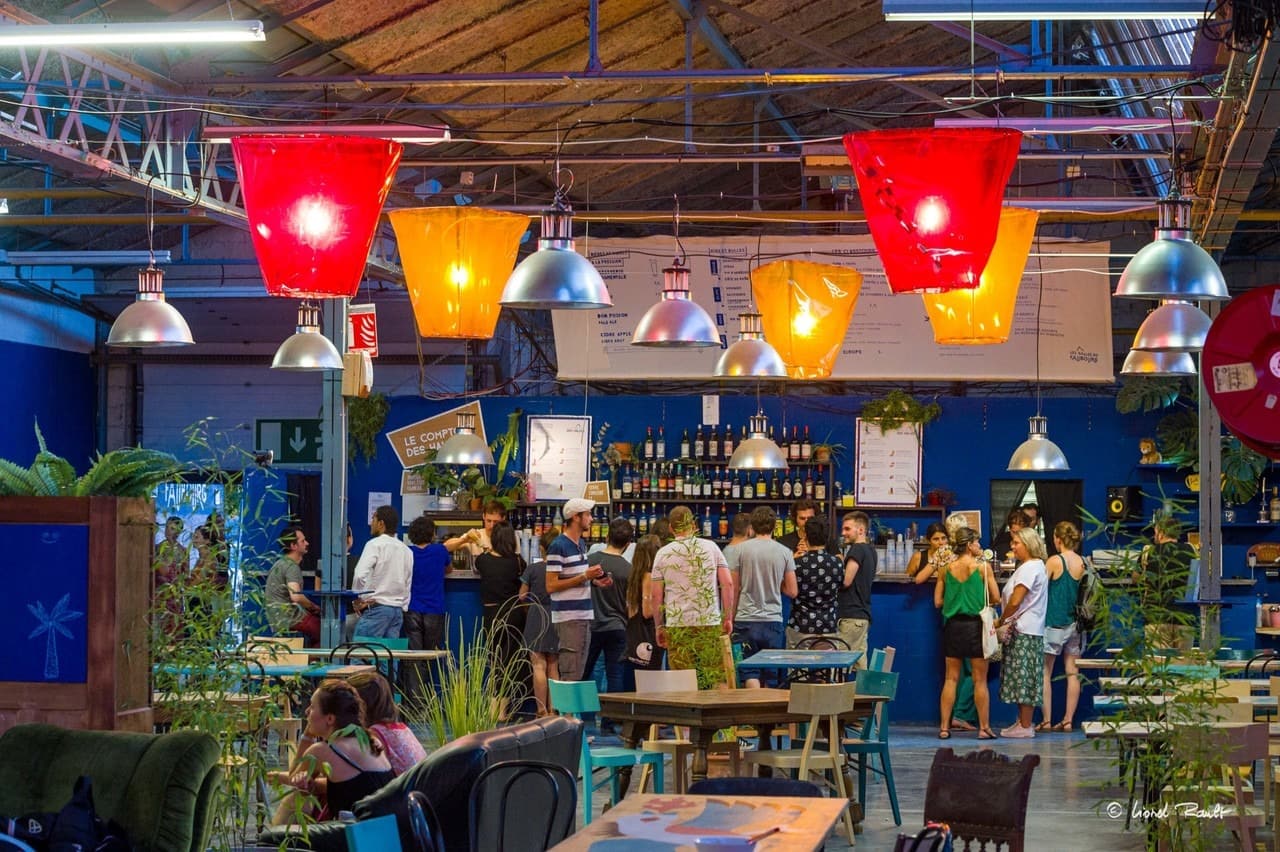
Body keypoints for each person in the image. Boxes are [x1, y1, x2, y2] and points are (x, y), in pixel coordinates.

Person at [268, 679, 394, 824]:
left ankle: (273, 843)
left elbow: (294, 779)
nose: (306, 711)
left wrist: (307, 737)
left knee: (295, 799)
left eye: (313, 707)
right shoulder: (370, 741)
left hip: (356, 835)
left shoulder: (322, 751)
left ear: (330, 718)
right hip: (388, 829)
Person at [652, 505, 735, 690]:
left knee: (682, 683)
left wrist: (659, 626)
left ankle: (684, 719)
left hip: (677, 624)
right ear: (694, 525)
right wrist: (727, 617)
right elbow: (728, 584)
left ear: (671, 528)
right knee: (716, 677)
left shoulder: (663, 553)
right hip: (709, 621)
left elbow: (656, 594)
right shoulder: (711, 547)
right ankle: (719, 718)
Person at [934, 527, 1000, 740]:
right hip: (975, 627)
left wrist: (956, 601)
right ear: (970, 545)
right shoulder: (983, 567)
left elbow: (937, 601)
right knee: (979, 680)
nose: (980, 546)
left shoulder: (945, 569)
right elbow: (996, 598)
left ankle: (944, 727)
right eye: (977, 543)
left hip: (952, 627)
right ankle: (984, 728)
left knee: (950, 679)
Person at [729, 506, 798, 687]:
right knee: (770, 674)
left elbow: (733, 588)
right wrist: (777, 580)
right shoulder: (785, 552)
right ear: (775, 527)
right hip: (772, 620)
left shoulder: (740, 550)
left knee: (748, 672)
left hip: (744, 619)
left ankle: (752, 712)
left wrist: (728, 618)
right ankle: (768, 715)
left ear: (752, 527)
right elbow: (792, 591)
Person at [546, 498, 607, 682]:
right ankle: (566, 712)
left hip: (583, 615)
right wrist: (584, 577)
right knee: (570, 672)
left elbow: (573, 578)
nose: (592, 519)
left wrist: (595, 581)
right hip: (569, 617)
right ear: (575, 517)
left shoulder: (580, 544)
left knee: (579, 671)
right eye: (588, 514)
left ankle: (570, 712)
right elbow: (550, 585)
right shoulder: (558, 545)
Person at [998, 527, 1050, 738]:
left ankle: (1026, 724)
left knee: (1024, 677)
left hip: (1025, 630)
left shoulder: (1030, 568)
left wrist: (1001, 620)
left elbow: (1016, 600)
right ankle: (1022, 721)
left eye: (1016, 543)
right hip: (1025, 629)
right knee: (1019, 677)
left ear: (1028, 545)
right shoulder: (1031, 566)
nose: (1012, 546)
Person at [1041, 521, 1087, 732]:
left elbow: (1039, 591)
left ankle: (1047, 720)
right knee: (1072, 672)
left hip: (1054, 623)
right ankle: (1068, 720)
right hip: (1076, 624)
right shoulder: (1083, 562)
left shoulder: (1054, 561)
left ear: (1058, 539)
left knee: (1045, 672)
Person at [584, 517, 634, 696]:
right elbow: (630, 602)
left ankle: (581, 716)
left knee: (583, 673)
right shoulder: (629, 569)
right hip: (618, 626)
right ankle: (611, 720)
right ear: (628, 543)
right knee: (615, 674)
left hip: (591, 625)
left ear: (607, 537)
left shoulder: (589, 561)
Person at [404, 516, 450, 702]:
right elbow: (449, 569)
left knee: (415, 657)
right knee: (430, 656)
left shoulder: (407, 552)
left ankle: (417, 702)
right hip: (434, 610)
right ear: (432, 534)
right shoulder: (440, 551)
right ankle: (428, 700)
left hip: (412, 608)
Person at [351, 505, 414, 639]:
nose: (370, 523)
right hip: (397, 612)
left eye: (373, 518)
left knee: (362, 655)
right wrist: (403, 607)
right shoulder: (407, 551)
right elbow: (408, 583)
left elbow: (359, 574)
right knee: (389, 657)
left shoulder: (374, 545)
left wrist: (358, 598)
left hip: (376, 610)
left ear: (381, 523)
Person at [474, 521, 527, 678]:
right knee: (511, 659)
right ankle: (509, 697)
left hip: (493, 614)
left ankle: (497, 698)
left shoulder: (483, 561)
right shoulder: (518, 561)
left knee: (495, 659)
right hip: (514, 613)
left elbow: (482, 557)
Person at [1136, 514, 1197, 650]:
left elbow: (1136, 577)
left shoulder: (1148, 552)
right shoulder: (1191, 550)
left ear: (1161, 533)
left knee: (1158, 666)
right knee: (1183, 665)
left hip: (1156, 618)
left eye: (1155, 532)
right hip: (1185, 616)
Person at [348, 671, 426, 775]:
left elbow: (363, 776)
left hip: (404, 790)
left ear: (361, 705)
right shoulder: (402, 728)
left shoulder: (374, 735)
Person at [520, 527, 562, 716]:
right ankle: (554, 710)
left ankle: (541, 710)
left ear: (542, 548)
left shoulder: (533, 569)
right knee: (554, 666)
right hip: (557, 616)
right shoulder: (562, 570)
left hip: (536, 615)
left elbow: (522, 596)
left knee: (538, 665)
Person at [787, 517, 846, 647]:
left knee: (798, 666)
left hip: (801, 626)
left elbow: (788, 589)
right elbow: (842, 585)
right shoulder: (837, 563)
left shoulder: (797, 564)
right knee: (826, 666)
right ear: (827, 537)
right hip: (828, 626)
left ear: (806, 536)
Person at [264, 525, 321, 646]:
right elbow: (296, 597)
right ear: (293, 546)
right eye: (303, 541)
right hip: (289, 619)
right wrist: (314, 607)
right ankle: (310, 661)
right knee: (326, 632)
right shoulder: (291, 567)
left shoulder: (279, 564)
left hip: (276, 619)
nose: (307, 543)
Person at [837, 511, 876, 669]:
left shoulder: (856, 550)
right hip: (863, 615)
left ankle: (838, 694)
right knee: (860, 665)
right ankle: (862, 694)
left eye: (847, 529)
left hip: (850, 616)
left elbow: (846, 581)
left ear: (861, 530)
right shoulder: (870, 550)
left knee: (839, 664)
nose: (843, 533)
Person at [624, 534, 665, 674]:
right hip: (649, 636)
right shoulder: (649, 576)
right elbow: (647, 612)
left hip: (634, 634)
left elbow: (631, 610)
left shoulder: (634, 574)